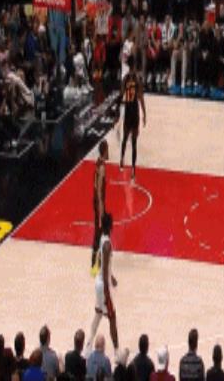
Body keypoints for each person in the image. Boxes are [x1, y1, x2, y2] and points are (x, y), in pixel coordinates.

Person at [86, 213, 119, 356]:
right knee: (112, 317)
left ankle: (88, 345)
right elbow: (104, 268)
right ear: (110, 226)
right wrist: (107, 289)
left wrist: (111, 276)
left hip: (99, 282)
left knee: (98, 313)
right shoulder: (107, 245)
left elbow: (102, 263)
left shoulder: (102, 238)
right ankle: (117, 352)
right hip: (103, 285)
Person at [118, 55, 146, 181]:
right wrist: (144, 114)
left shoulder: (125, 79)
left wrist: (117, 114)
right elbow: (141, 98)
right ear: (134, 66)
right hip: (134, 110)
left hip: (128, 109)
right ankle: (133, 169)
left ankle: (122, 160)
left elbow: (121, 96)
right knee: (134, 142)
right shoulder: (137, 79)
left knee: (125, 138)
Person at [91, 139, 108, 276]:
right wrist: (101, 208)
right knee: (100, 232)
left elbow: (95, 185)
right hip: (99, 202)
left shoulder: (98, 163)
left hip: (97, 201)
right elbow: (99, 190)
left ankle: (96, 261)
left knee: (99, 231)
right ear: (105, 151)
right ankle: (96, 263)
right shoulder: (102, 167)